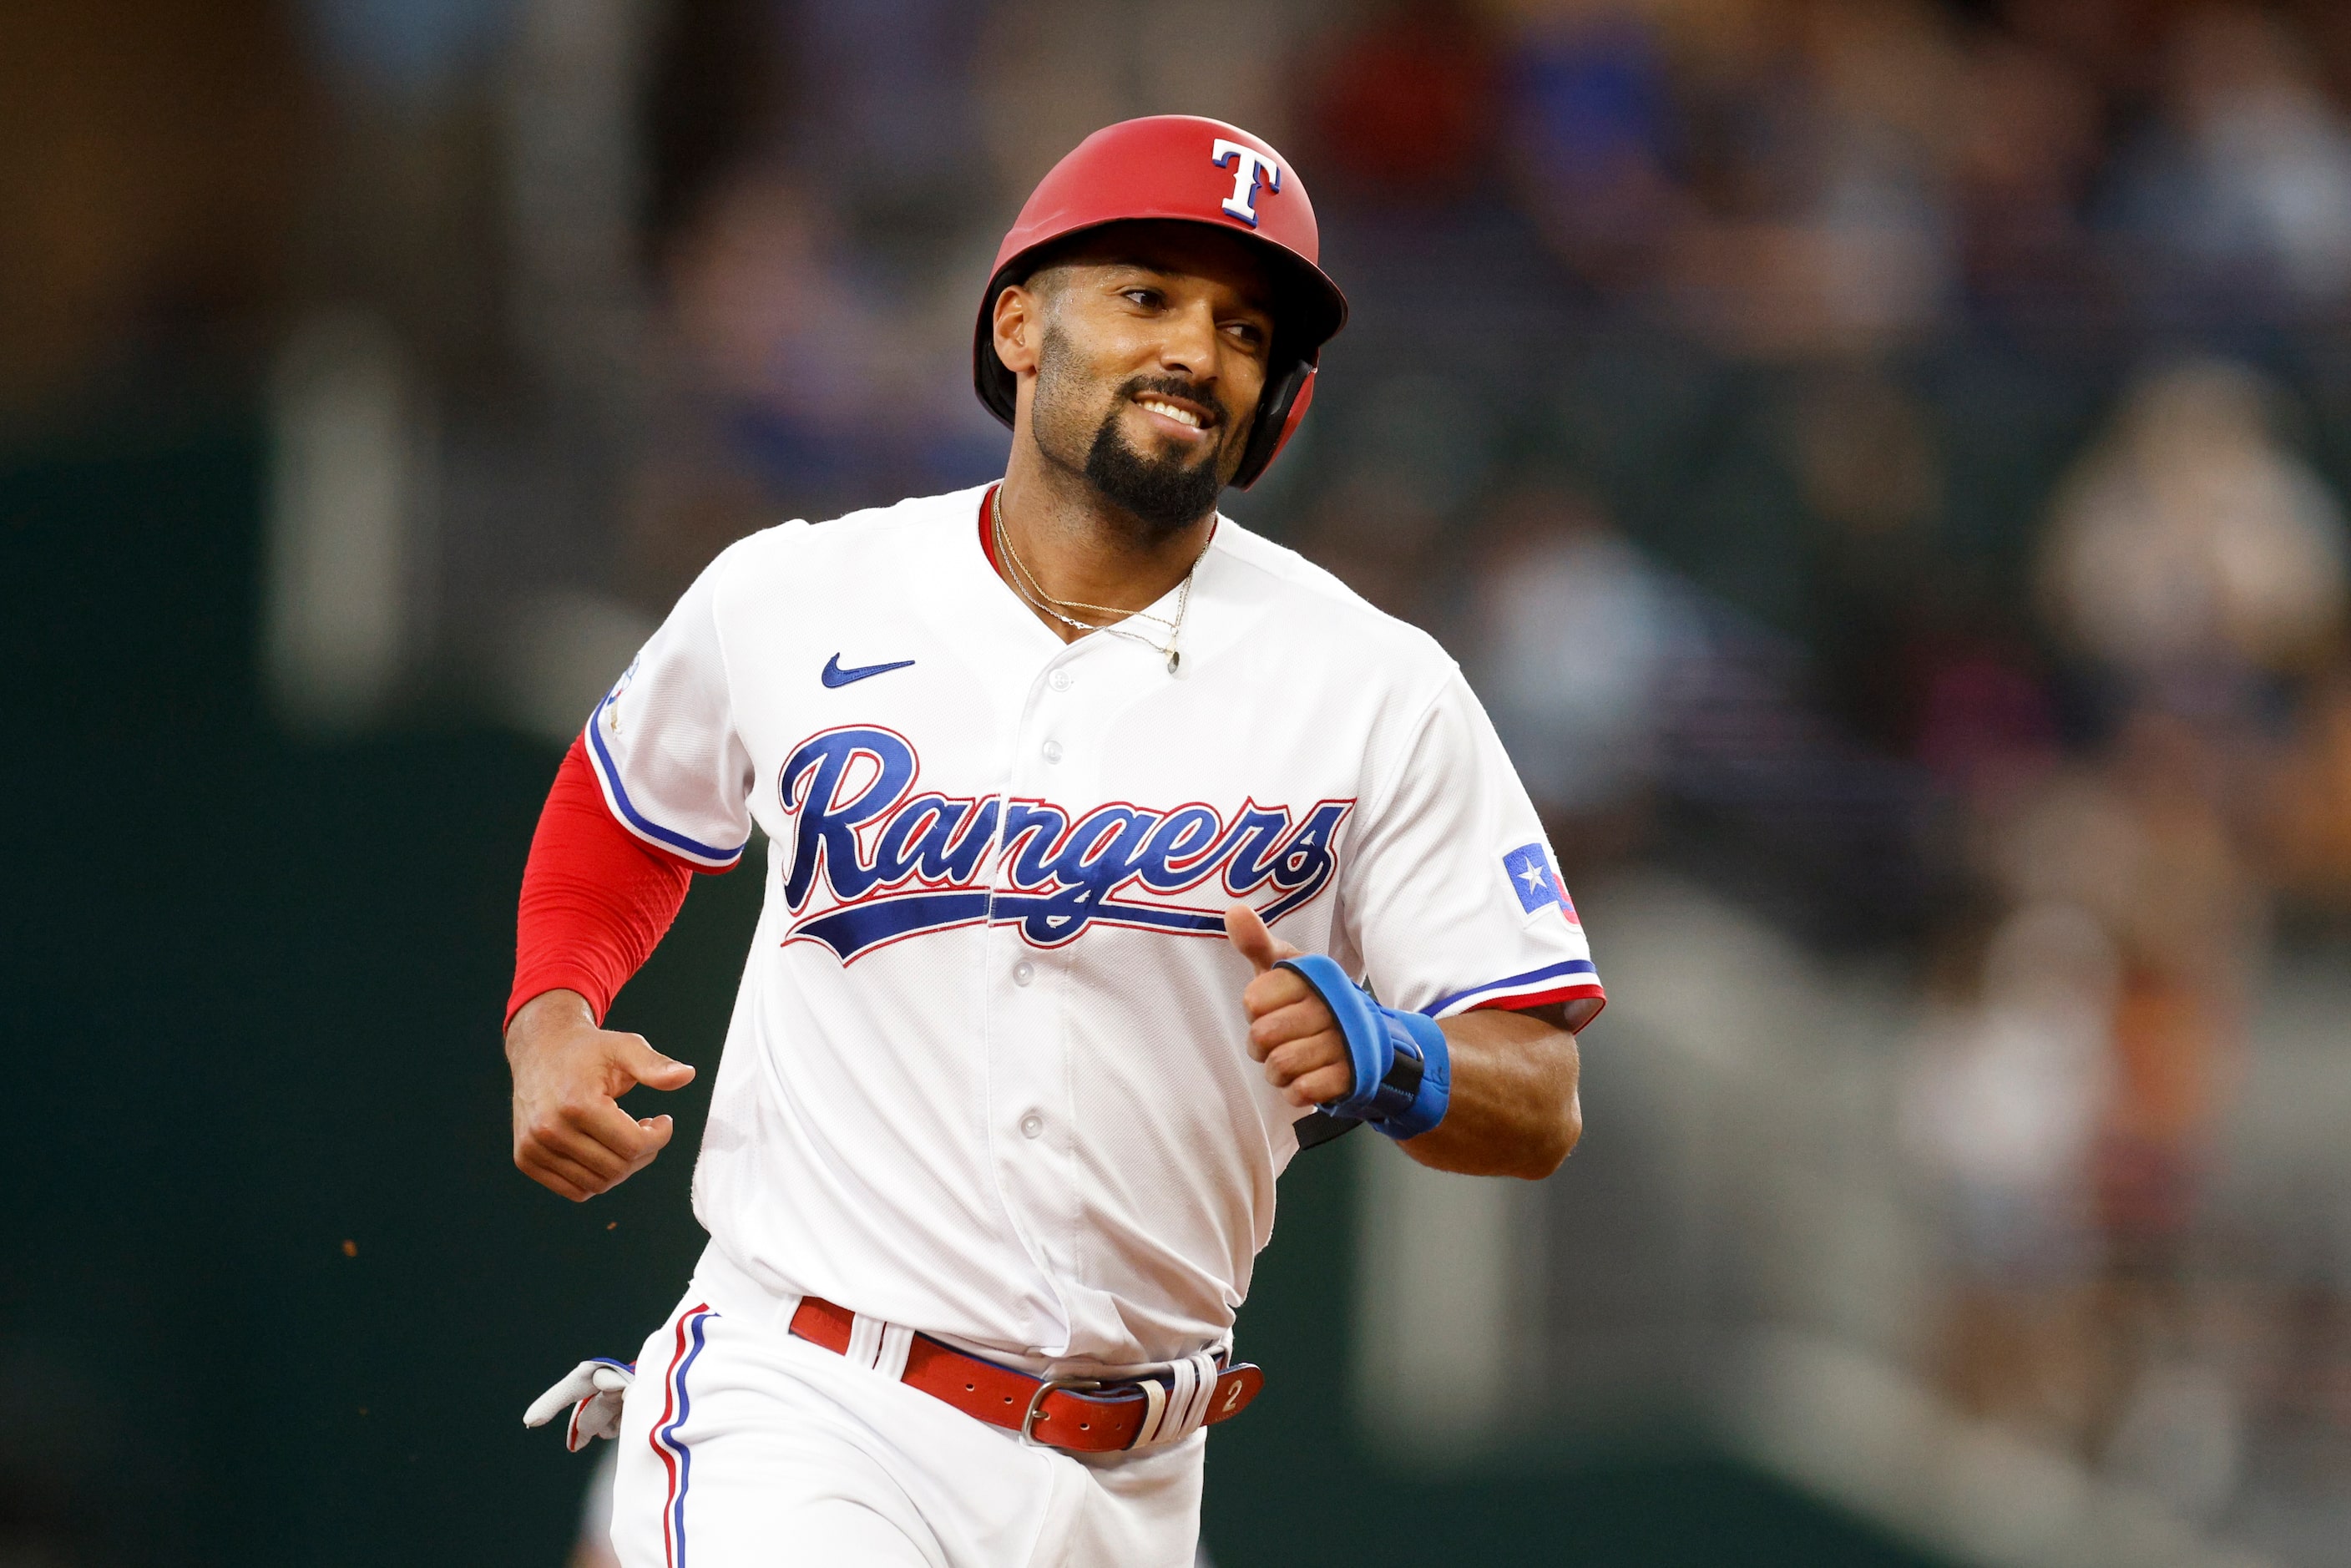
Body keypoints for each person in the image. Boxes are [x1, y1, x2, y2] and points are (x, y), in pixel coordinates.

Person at [503, 116, 1605, 1568]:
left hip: (1137, 1481)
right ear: (1019, 323)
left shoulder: (1375, 686)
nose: (1197, 351)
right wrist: (553, 1018)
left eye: (1243, 326)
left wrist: (1400, 1058)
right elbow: (623, 799)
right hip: (815, 1398)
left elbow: (1540, 1096)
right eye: (1146, 294)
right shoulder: (798, 591)